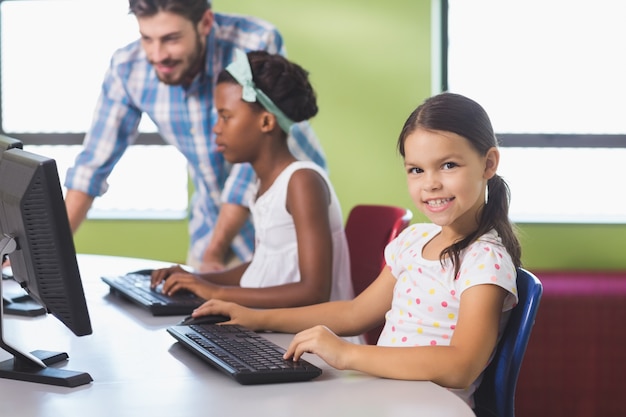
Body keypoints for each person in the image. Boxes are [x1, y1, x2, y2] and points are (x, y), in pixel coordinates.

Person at [188, 92, 523, 408]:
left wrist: (346, 354)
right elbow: (354, 313)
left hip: (430, 407)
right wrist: (256, 319)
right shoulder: (414, 241)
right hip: (386, 394)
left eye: (448, 165)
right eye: (416, 170)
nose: (430, 183)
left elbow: (461, 365)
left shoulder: (485, 260)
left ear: (488, 163)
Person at [63, 0, 326, 272]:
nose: (157, 55)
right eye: (147, 38)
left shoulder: (254, 40)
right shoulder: (128, 67)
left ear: (206, 23)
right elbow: (91, 167)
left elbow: (249, 170)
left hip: (282, 214)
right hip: (211, 218)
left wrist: (214, 253)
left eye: (171, 39)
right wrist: (46, 253)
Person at [149, 49, 353, 307]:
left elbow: (314, 292)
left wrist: (215, 293)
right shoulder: (262, 185)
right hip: (277, 328)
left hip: (311, 339)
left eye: (226, 116)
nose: (216, 128)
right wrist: (197, 279)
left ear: (266, 122)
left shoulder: (302, 182)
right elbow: (262, 266)